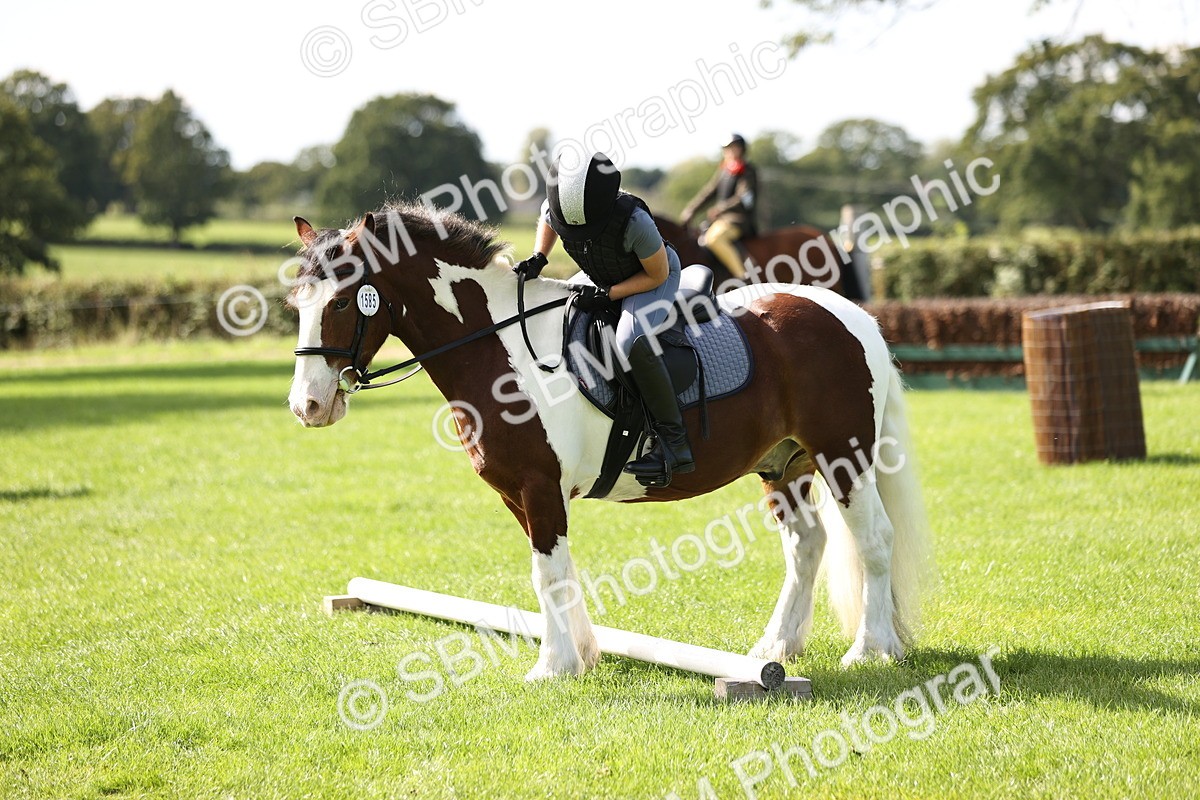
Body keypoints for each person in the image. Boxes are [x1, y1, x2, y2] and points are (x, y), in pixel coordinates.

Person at [513, 152, 694, 484]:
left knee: (629, 340)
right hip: (604, 274)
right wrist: (539, 257)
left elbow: (656, 274)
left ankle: (674, 443)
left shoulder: (635, 222)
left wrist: (608, 294)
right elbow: (548, 220)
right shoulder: (557, 206)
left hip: (652, 276)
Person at [680, 133, 759, 278]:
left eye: (733, 148)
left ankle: (743, 276)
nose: (729, 152)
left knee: (714, 239)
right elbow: (709, 192)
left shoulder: (747, 170)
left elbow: (743, 197)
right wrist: (691, 210)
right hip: (720, 220)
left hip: (739, 220)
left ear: (741, 149)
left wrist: (721, 208)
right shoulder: (725, 171)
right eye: (727, 149)